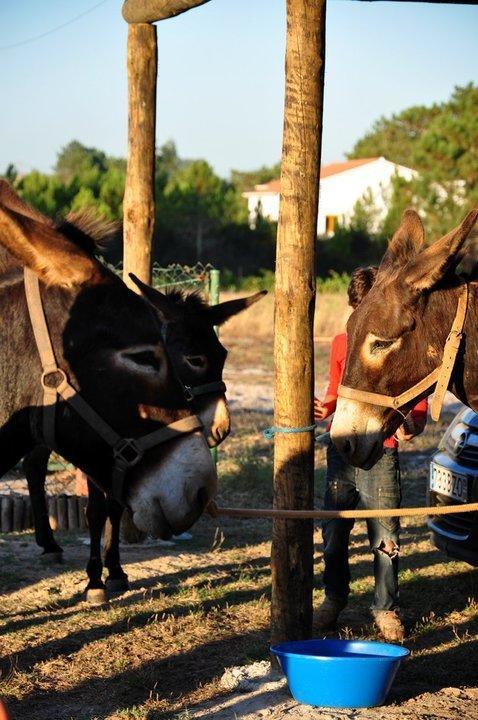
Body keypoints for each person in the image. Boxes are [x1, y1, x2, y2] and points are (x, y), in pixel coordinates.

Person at [314, 266, 428, 642]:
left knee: (386, 535)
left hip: (382, 453)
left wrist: (410, 425)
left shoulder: (399, 344)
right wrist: (323, 408)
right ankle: (334, 597)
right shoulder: (340, 343)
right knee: (333, 530)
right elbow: (336, 392)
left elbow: (418, 410)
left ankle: (385, 608)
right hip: (342, 449)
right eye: (355, 313)